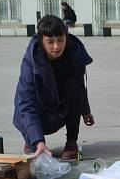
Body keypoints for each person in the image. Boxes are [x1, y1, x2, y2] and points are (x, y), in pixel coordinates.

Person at [13, 15, 95, 159]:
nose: (56, 47)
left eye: (61, 40)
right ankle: (32, 140)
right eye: (50, 42)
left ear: (66, 38)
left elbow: (80, 87)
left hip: (57, 110)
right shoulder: (31, 61)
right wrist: (39, 141)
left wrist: (85, 111)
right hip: (35, 110)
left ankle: (71, 142)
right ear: (41, 41)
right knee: (33, 139)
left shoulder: (74, 53)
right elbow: (26, 104)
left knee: (73, 87)